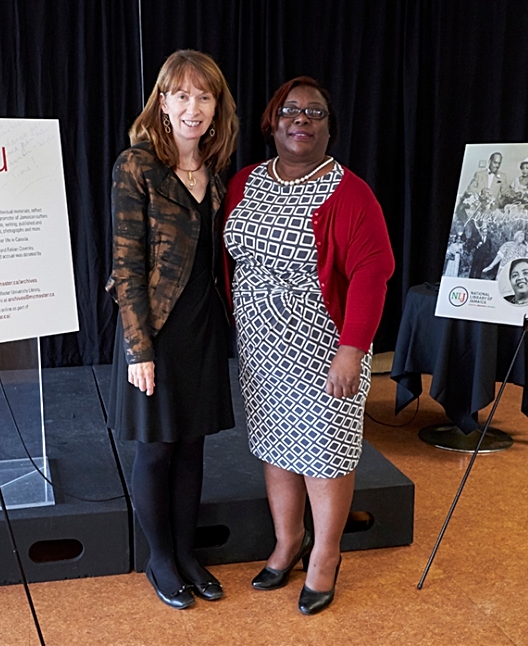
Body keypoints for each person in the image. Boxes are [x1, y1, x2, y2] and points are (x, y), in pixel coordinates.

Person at [223, 77, 394, 615]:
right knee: (277, 448)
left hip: (325, 346)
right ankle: (287, 540)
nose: (301, 119)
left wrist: (353, 349)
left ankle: (324, 555)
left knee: (324, 453)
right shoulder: (245, 181)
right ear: (272, 122)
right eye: (289, 110)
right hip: (260, 346)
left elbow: (372, 272)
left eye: (314, 112)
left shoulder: (349, 192)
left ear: (329, 126)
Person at [105, 50, 239, 610]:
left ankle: (187, 555)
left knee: (191, 448)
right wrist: (139, 349)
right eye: (181, 95)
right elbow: (126, 266)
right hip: (154, 333)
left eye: (204, 96)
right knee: (157, 450)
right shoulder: (136, 167)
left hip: (202, 331)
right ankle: (160, 560)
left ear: (216, 106)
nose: (193, 107)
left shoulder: (218, 172)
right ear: (162, 102)